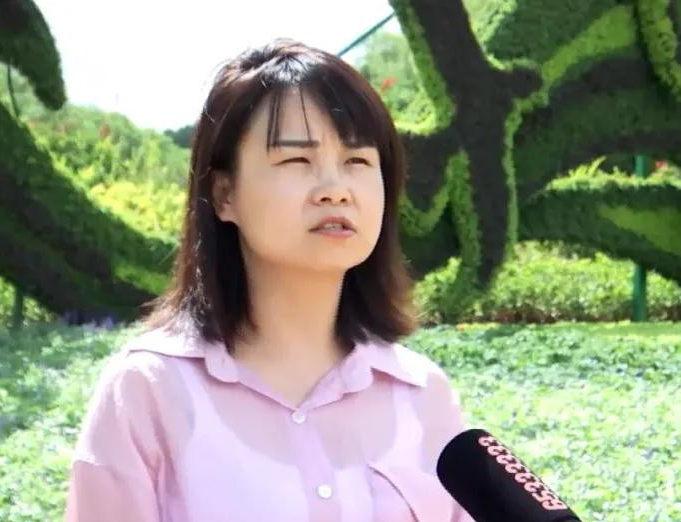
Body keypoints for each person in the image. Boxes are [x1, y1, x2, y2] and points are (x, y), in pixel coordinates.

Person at [63, 39, 474, 522]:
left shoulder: (423, 394)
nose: (336, 190)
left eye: (358, 162)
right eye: (297, 161)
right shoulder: (148, 390)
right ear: (224, 194)